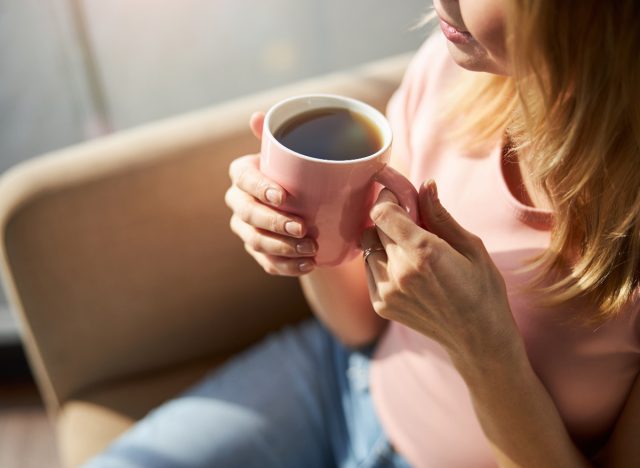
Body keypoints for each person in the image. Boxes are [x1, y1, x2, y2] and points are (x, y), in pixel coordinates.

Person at [85, 0, 640, 466]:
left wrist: (482, 346)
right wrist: (300, 236)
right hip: (344, 382)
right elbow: (355, 326)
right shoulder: (453, 71)